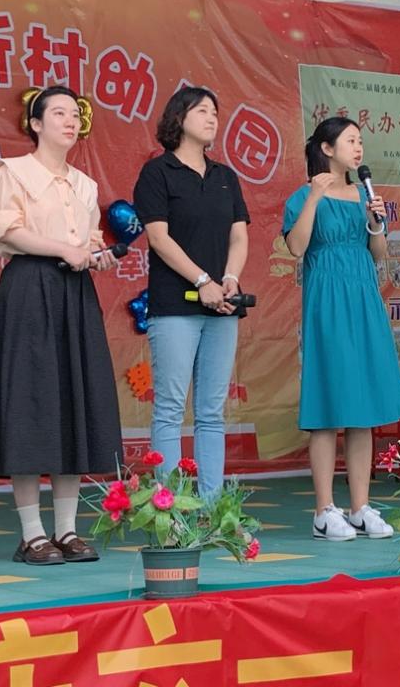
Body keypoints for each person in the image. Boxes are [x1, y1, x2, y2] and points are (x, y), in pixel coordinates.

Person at [0, 85, 123, 566]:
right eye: (58, 113)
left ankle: (67, 530)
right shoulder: (13, 171)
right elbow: (5, 230)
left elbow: (88, 239)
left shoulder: (85, 184)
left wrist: (96, 255)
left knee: (72, 401)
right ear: (36, 124)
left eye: (75, 114)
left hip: (74, 294)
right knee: (29, 403)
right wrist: (63, 249)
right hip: (29, 289)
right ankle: (32, 533)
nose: (69, 121)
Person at [283, 116, 400, 541]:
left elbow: (377, 252)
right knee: (328, 405)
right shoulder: (304, 195)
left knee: (363, 407)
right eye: (351, 140)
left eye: (360, 142)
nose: (358, 148)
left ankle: (360, 507)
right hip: (328, 300)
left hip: (363, 297)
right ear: (327, 148)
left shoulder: (364, 194)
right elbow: (297, 247)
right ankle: (323, 511)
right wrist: (315, 198)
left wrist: (375, 221)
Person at [133, 86, 249, 498]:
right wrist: (202, 282)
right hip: (174, 307)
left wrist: (230, 278)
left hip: (223, 307)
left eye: (215, 111)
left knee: (212, 413)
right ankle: (167, 507)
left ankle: (213, 506)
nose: (212, 118)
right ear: (179, 118)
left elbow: (239, 235)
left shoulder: (225, 177)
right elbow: (159, 238)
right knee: (169, 409)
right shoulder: (157, 173)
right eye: (202, 111)